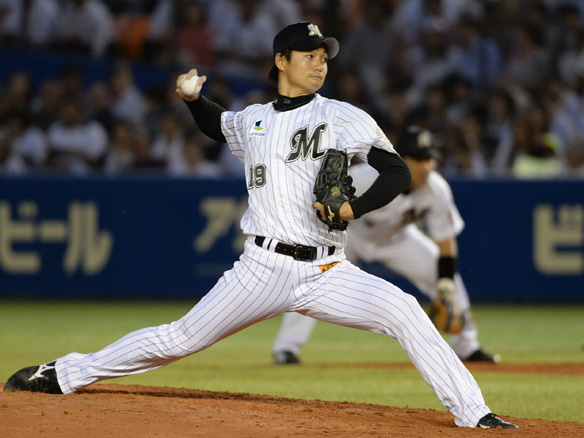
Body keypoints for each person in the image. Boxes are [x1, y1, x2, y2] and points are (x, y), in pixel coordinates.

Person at [3, 22, 517, 430]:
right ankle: (65, 372)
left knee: (404, 309)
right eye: (309, 55)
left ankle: (474, 413)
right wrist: (192, 99)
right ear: (281, 61)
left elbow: (398, 171)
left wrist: (353, 208)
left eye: (324, 56)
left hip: (329, 270)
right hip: (262, 267)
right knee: (177, 339)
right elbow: (217, 123)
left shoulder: (344, 116)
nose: (320, 63)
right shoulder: (254, 119)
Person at [273, 126, 499, 366]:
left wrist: (445, 286)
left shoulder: (436, 189)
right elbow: (319, 202)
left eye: (430, 159)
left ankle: (467, 345)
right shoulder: (363, 177)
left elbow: (446, 241)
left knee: (447, 277)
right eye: (419, 159)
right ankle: (286, 347)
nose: (426, 166)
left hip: (397, 239)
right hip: (348, 236)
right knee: (312, 277)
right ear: (401, 158)